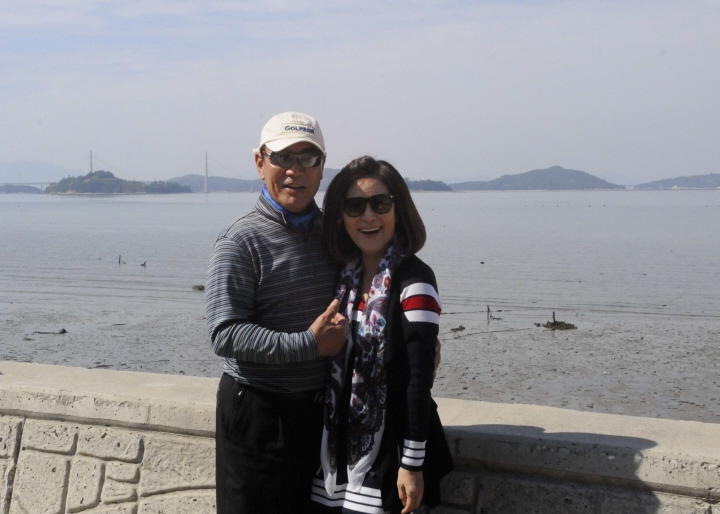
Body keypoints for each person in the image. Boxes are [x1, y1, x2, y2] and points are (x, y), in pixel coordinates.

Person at [206, 111, 349, 513]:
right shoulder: (240, 240)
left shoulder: (335, 234)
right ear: (260, 162)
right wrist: (309, 344)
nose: (295, 171)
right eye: (283, 157)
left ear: (322, 167)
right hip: (258, 412)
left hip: (320, 415)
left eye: (308, 159)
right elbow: (224, 332)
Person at [311, 157, 453, 514]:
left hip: (389, 459)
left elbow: (419, 381)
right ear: (340, 217)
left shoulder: (416, 281)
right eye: (354, 207)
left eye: (380, 204)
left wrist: (412, 465)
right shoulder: (342, 279)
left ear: (398, 209)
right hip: (333, 457)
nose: (368, 216)